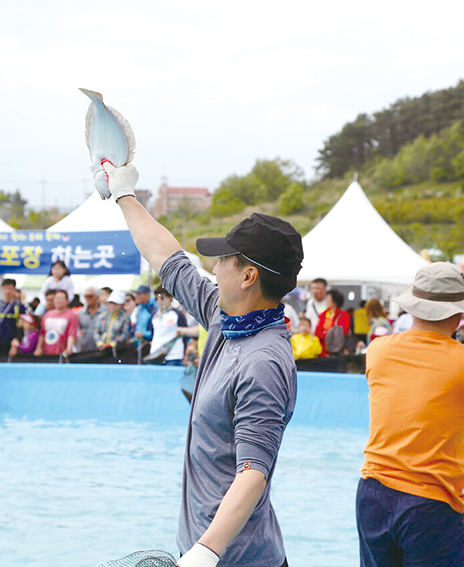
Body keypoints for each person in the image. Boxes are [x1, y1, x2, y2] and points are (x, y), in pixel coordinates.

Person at [103, 160, 302, 567]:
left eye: (223, 259)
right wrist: (125, 195)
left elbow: (253, 471)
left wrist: (205, 553)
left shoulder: (263, 361)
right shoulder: (223, 315)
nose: (213, 266)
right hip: (203, 547)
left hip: (236, 559)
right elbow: (167, 257)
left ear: (248, 276)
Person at [358, 262, 464, 567]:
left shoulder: (378, 350)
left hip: (372, 492)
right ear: (460, 314)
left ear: (413, 306)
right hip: (432, 502)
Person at [147, 286, 186, 365]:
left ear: (170, 298)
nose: (159, 301)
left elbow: (186, 334)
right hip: (155, 355)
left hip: (173, 356)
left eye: (162, 298)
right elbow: (152, 333)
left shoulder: (178, 314)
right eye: (157, 298)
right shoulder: (154, 315)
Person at [35, 289, 78, 358]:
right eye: (56, 298)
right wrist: (39, 347)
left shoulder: (71, 315)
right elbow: (42, 333)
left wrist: (69, 348)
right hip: (46, 351)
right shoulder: (47, 314)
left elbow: (71, 334)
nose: (58, 300)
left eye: (61, 298)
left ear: (67, 301)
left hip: (61, 352)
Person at [0, 278, 25, 356]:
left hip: (12, 344)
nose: (8, 291)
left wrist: (16, 342)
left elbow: (21, 326)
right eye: (5, 288)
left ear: (14, 289)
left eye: (10, 289)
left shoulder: (19, 307)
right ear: (2, 289)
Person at [314, 288, 350, 357]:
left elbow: (343, 332)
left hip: (337, 350)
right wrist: (330, 335)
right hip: (322, 350)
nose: (326, 301)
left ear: (334, 301)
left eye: (328, 299)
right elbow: (317, 332)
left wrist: (325, 334)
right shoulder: (323, 315)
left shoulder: (344, 315)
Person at [77, 287, 105, 352]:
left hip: (101, 350)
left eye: (90, 296)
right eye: (86, 296)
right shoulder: (81, 313)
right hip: (84, 350)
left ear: (97, 297)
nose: (87, 298)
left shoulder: (105, 312)